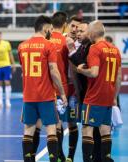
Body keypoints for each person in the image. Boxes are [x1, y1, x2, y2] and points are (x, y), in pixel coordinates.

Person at [18, 15, 67, 162]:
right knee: (51, 130)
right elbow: (54, 71)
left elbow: (24, 70)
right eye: (50, 29)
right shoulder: (49, 45)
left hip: (29, 96)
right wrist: (62, 93)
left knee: (28, 130)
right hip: (46, 96)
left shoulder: (22, 46)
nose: (51, 32)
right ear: (45, 28)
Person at [77, 20, 121, 162]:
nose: (87, 33)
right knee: (105, 130)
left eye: (89, 30)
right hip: (108, 96)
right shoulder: (115, 49)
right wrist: (114, 96)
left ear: (93, 32)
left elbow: (94, 73)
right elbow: (119, 76)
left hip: (94, 96)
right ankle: (107, 158)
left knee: (87, 129)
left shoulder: (95, 48)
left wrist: (81, 70)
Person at [66, 21, 91, 162]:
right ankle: (66, 156)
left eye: (79, 28)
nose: (76, 30)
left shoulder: (84, 46)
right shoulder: (64, 40)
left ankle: (74, 156)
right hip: (67, 89)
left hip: (79, 91)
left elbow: (81, 68)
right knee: (66, 124)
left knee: (85, 125)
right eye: (73, 26)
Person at [49, 11, 70, 162]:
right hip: (62, 86)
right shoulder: (66, 41)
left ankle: (56, 155)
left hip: (47, 87)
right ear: (65, 25)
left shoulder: (46, 39)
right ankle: (60, 155)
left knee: (49, 125)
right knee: (59, 123)